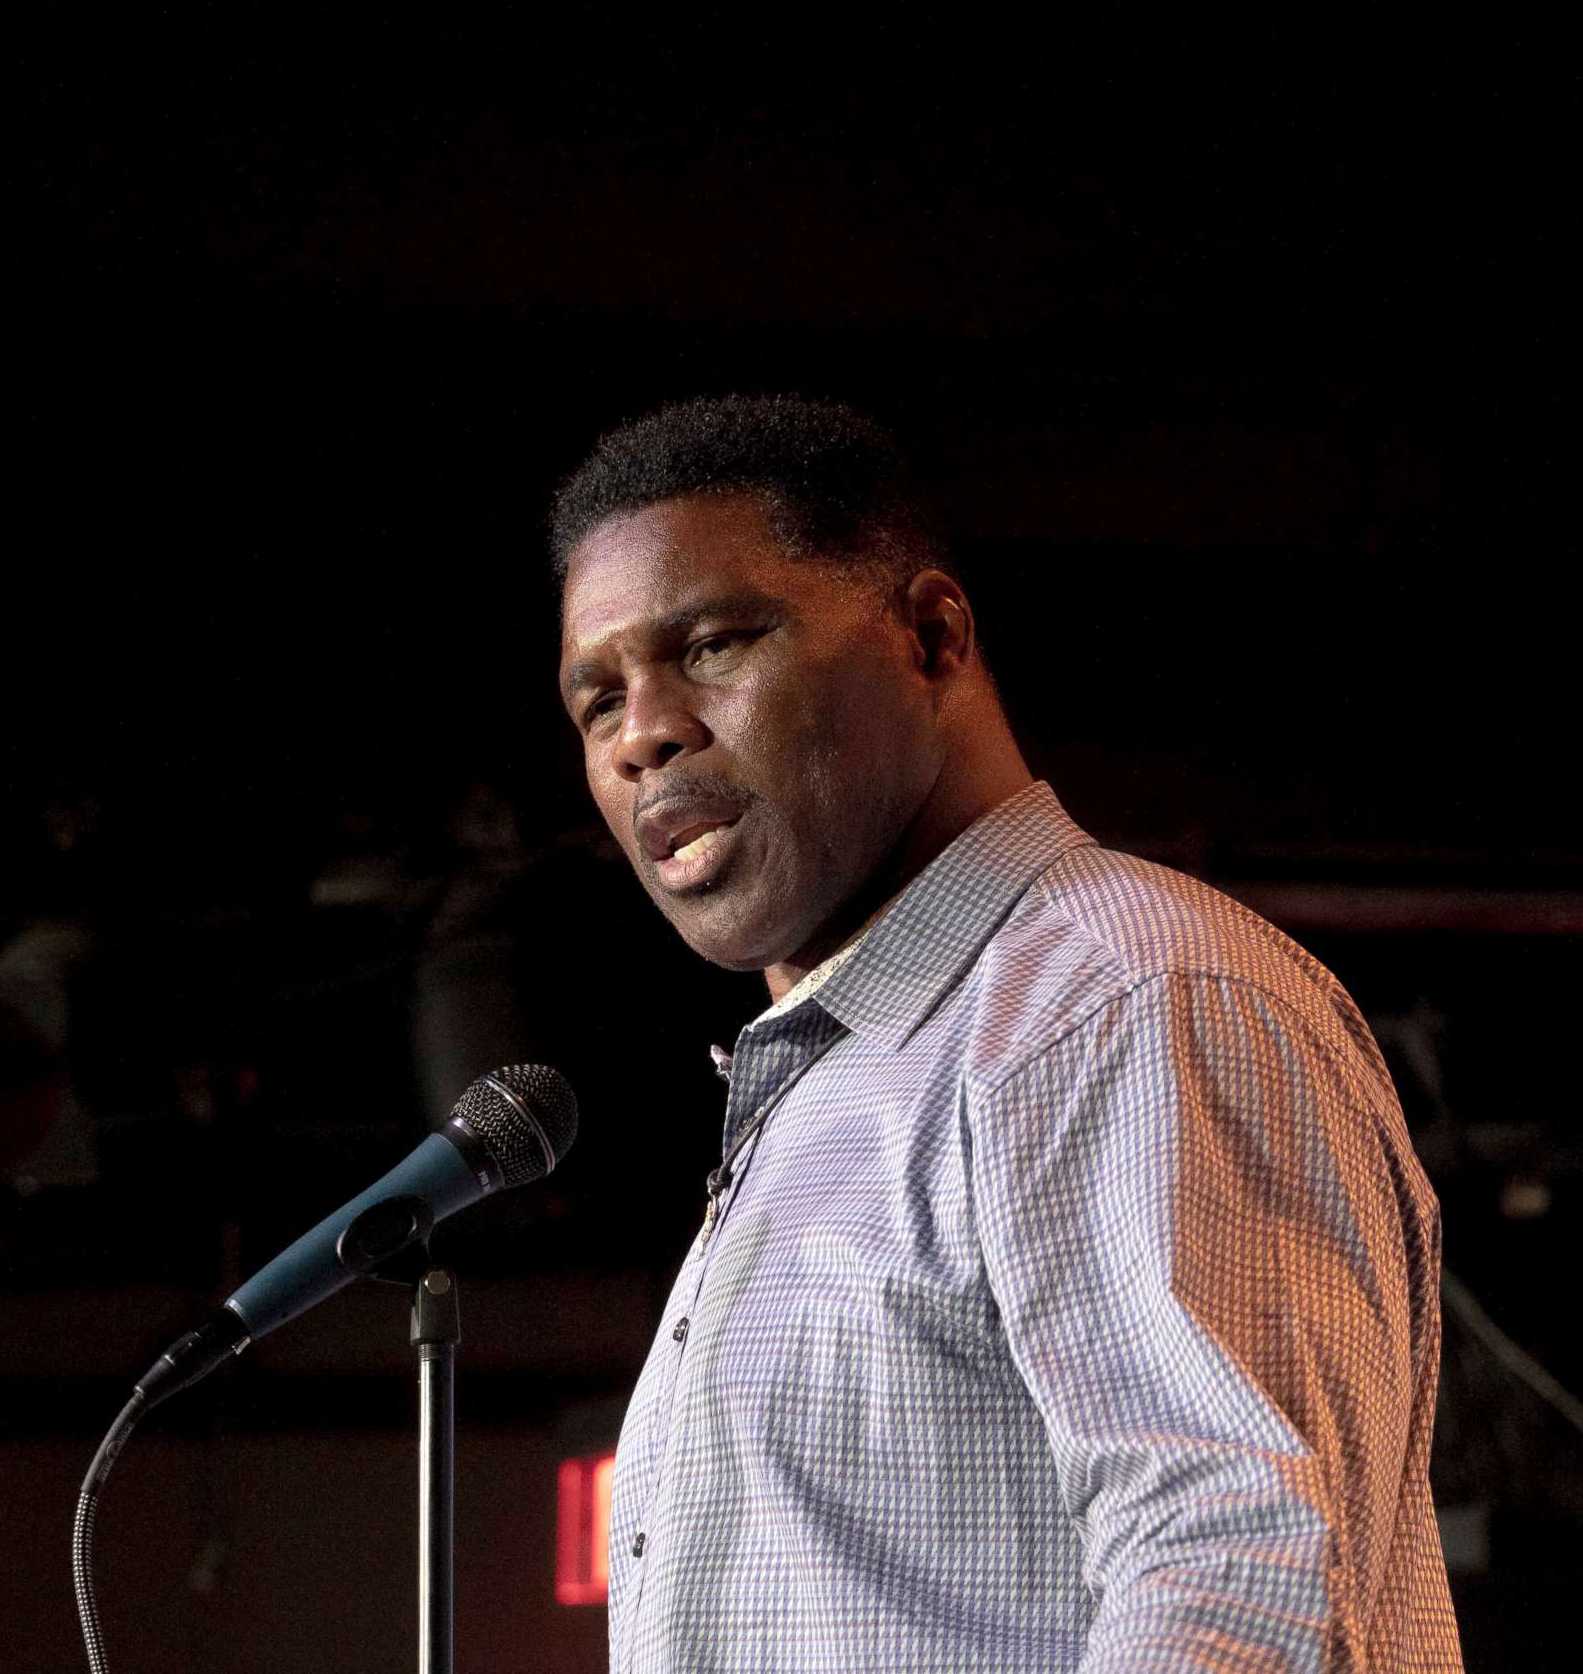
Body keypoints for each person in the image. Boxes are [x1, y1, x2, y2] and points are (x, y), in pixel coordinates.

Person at [550, 396, 1463, 1672]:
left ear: (931, 637)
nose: (644, 731)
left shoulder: (1120, 1005)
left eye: (711, 645)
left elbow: (1238, 1588)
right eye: (596, 702)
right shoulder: (833, 1087)